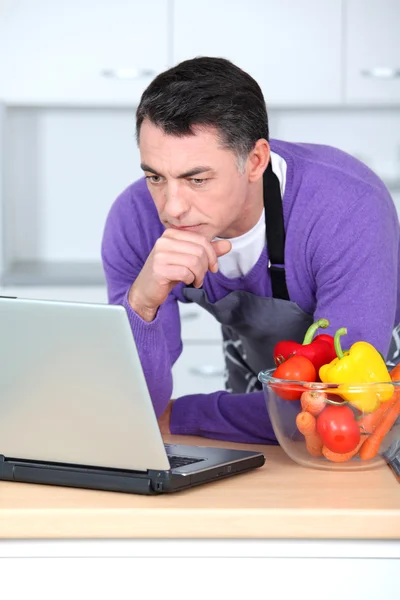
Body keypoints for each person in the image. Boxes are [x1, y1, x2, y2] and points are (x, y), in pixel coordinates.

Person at [101, 56, 400, 444]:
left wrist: (184, 414)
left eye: (197, 179)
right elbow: (133, 408)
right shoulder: (134, 219)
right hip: (266, 405)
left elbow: (339, 405)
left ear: (255, 160)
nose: (171, 208)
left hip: (378, 417)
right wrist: (141, 305)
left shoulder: (347, 208)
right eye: (155, 176)